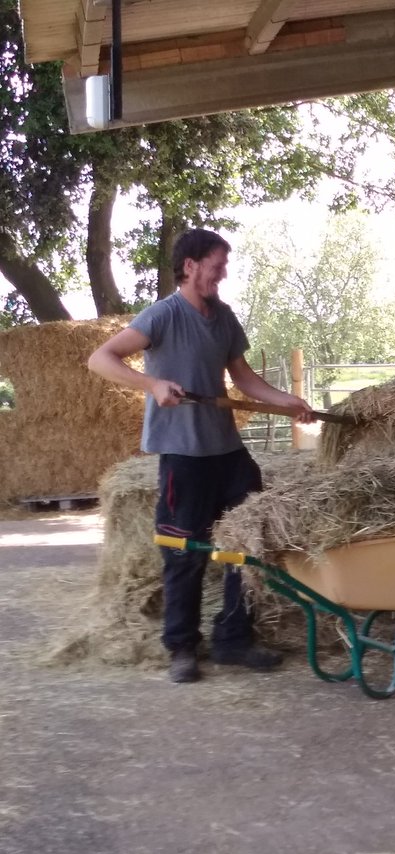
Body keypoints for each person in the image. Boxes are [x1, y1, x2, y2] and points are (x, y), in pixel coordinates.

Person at [89, 228, 314, 683]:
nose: (222, 274)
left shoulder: (224, 317)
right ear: (190, 266)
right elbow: (101, 358)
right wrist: (152, 384)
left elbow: (243, 378)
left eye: (224, 266)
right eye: (216, 265)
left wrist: (287, 401)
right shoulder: (163, 315)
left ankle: (234, 640)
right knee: (183, 552)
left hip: (228, 454)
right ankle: (182, 647)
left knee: (244, 546)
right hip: (183, 455)